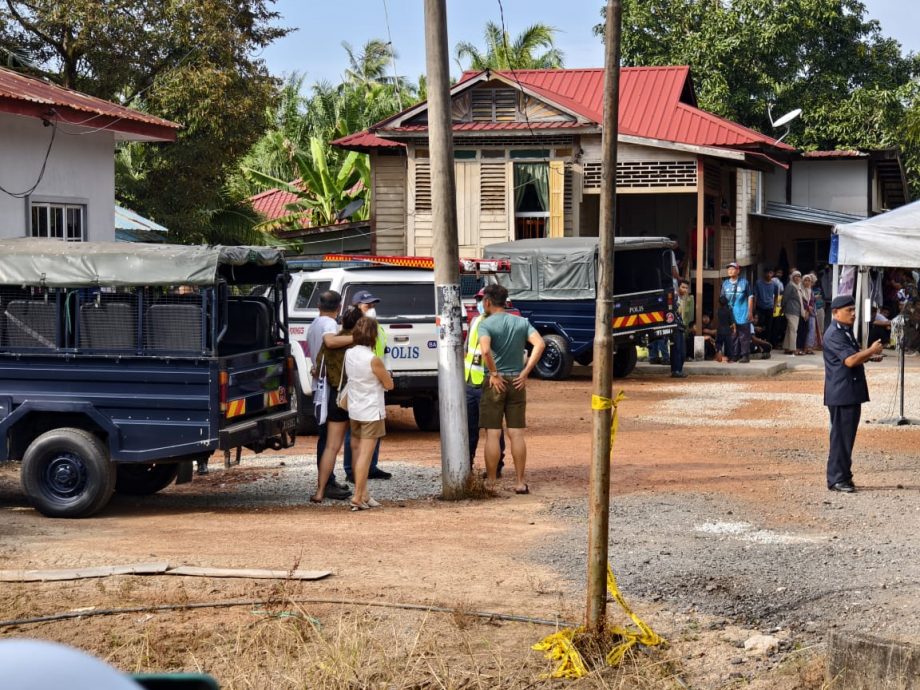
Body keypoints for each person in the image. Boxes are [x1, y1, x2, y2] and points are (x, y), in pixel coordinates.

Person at [477, 284, 545, 494]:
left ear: (488, 302)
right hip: (517, 380)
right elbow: (540, 344)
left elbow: (485, 351)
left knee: (493, 433)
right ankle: (520, 482)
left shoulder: (486, 324)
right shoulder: (521, 322)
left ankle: (491, 482)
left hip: (495, 383)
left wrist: (494, 373)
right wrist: (525, 372)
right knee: (516, 433)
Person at [823, 294, 883, 493]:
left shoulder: (845, 331)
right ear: (835, 313)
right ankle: (837, 479)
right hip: (842, 393)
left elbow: (854, 356)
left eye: (854, 309)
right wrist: (871, 351)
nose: (853, 314)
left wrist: (869, 356)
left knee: (846, 437)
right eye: (849, 310)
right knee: (840, 438)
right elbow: (849, 360)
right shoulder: (834, 333)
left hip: (848, 392)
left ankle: (844, 476)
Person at [309, 304, 363, 503]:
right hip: (355, 397)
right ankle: (360, 494)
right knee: (357, 446)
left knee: (331, 446)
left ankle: (320, 492)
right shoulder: (359, 345)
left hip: (335, 397)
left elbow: (318, 370)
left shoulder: (330, 345)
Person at [344, 316, 394, 510]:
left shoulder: (349, 353)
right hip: (371, 411)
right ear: (373, 336)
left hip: (355, 409)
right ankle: (357, 496)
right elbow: (388, 384)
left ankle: (364, 494)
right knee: (366, 456)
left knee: (357, 453)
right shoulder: (373, 359)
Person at [465, 289, 505, 474]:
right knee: (469, 429)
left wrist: (495, 374)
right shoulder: (475, 321)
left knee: (493, 428)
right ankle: (466, 465)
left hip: (488, 383)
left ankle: (496, 466)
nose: (481, 303)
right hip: (470, 382)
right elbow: (467, 349)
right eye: (479, 300)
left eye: (482, 300)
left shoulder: (499, 324)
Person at [721, 262, 754, 363]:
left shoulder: (744, 282)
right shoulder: (725, 284)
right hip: (731, 314)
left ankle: (745, 355)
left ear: (738, 271)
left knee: (744, 335)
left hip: (742, 312)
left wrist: (750, 311)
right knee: (733, 335)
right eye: (729, 269)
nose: (730, 271)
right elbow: (722, 299)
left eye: (733, 269)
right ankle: (734, 355)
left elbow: (750, 297)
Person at [671, 279, 693, 378]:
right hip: (675, 327)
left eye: (686, 288)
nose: (685, 290)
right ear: (678, 287)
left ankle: (678, 370)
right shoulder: (675, 297)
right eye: (683, 287)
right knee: (677, 350)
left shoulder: (685, 299)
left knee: (682, 351)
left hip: (681, 327)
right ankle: (676, 371)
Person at [754, 268, 778, 348]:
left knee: (769, 326)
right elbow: (755, 296)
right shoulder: (758, 283)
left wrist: (774, 307)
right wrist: (754, 308)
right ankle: (759, 343)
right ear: (764, 273)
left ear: (773, 274)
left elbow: (776, 296)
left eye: (770, 273)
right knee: (759, 325)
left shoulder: (774, 284)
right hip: (760, 307)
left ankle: (767, 343)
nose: (768, 275)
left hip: (770, 307)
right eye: (767, 273)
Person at [782, 270, 804, 355]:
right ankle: (793, 348)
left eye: (799, 276)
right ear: (792, 277)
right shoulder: (790, 286)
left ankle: (787, 347)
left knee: (790, 329)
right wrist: (782, 307)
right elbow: (785, 298)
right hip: (791, 310)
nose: (797, 278)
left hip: (796, 310)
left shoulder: (798, 287)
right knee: (793, 330)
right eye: (796, 276)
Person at [715, 296, 734, 362]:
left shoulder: (718, 311)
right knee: (729, 345)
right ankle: (730, 359)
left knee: (718, 342)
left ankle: (719, 350)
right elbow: (731, 321)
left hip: (720, 329)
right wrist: (733, 328)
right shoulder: (729, 310)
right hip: (727, 330)